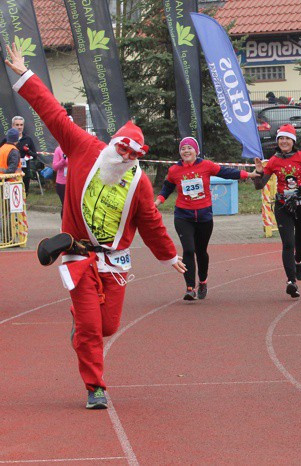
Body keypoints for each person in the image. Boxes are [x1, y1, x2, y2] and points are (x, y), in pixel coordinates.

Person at [5, 43, 187, 409]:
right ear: (113, 144)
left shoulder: (139, 183)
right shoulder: (83, 147)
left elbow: (151, 223)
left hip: (115, 262)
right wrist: (24, 74)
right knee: (90, 328)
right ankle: (95, 388)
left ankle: (83, 326)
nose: (126, 159)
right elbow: (52, 112)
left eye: (133, 156)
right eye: (123, 150)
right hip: (77, 255)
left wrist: (169, 257)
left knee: (108, 327)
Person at [155, 137, 260, 300]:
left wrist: (249, 174)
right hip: (183, 216)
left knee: (201, 251)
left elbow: (226, 172)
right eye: (183, 149)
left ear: (196, 151)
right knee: (188, 250)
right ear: (180, 152)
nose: (186, 151)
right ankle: (190, 288)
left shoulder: (206, 165)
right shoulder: (174, 170)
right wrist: (158, 201)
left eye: (190, 148)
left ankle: (202, 281)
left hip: (204, 216)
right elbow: (167, 187)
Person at [251, 124, 301, 298]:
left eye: (287, 138)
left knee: (300, 243)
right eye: (281, 139)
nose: (284, 142)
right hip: (283, 206)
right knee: (288, 244)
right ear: (277, 141)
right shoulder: (274, 160)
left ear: (293, 141)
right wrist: (258, 172)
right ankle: (291, 281)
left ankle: (298, 261)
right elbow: (259, 186)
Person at [51, 145, 68, 216]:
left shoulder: (74, 148)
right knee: (65, 205)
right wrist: (63, 160)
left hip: (73, 182)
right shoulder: (58, 149)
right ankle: (64, 225)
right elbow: (55, 167)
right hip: (62, 183)